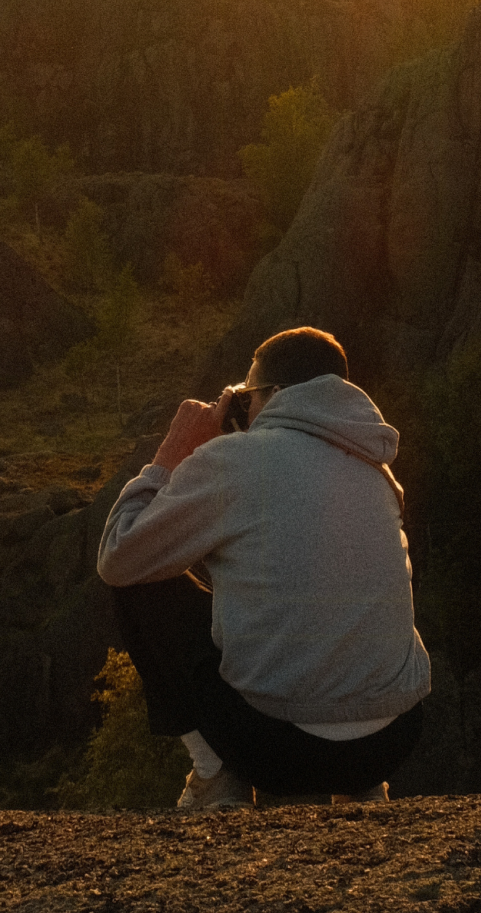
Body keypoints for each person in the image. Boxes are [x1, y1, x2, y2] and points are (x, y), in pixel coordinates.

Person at [97, 326, 430, 808]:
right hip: (392, 743)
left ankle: (216, 776)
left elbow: (117, 555)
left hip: (279, 752)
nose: (245, 410)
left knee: (135, 582)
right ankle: (362, 789)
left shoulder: (234, 461)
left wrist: (172, 454)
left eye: (248, 397)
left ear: (273, 394)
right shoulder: (378, 467)